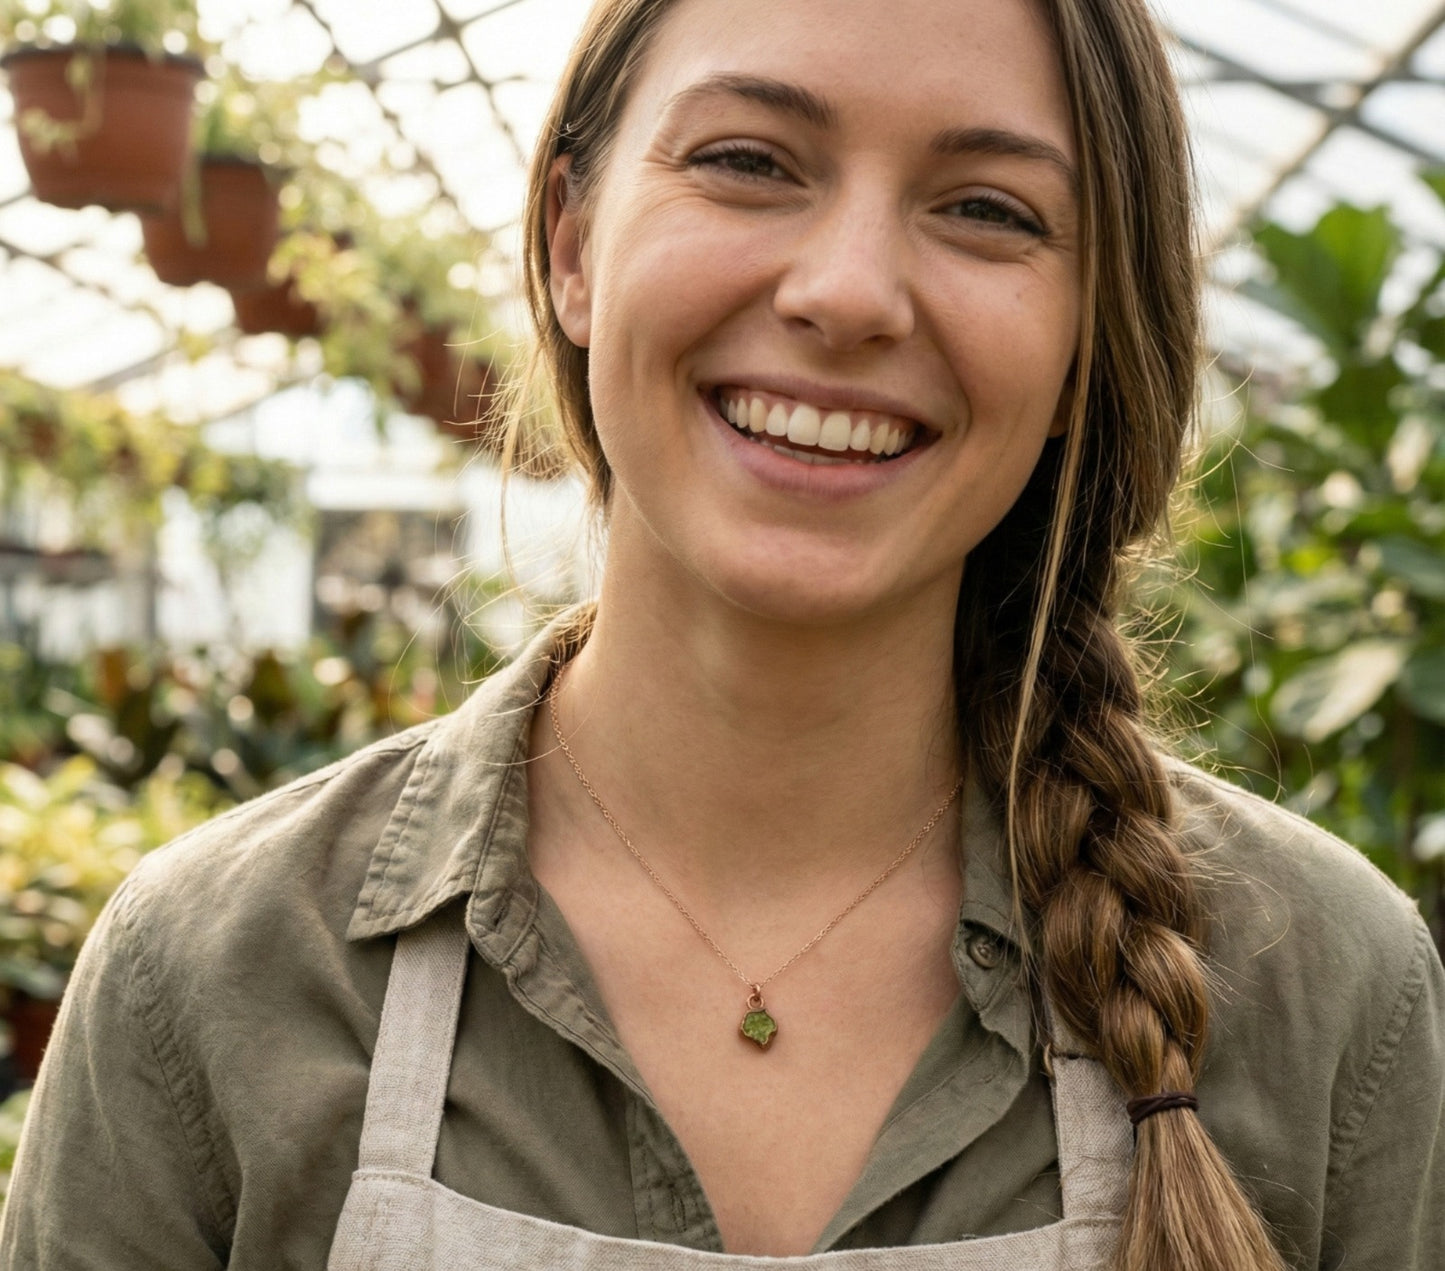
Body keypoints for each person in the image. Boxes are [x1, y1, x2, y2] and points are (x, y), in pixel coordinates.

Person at [3, 0, 1442, 1267]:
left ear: (1083, 340)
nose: (845, 293)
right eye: (748, 162)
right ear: (572, 247)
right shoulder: (220, 973)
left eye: (989, 209)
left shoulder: (1317, 997)